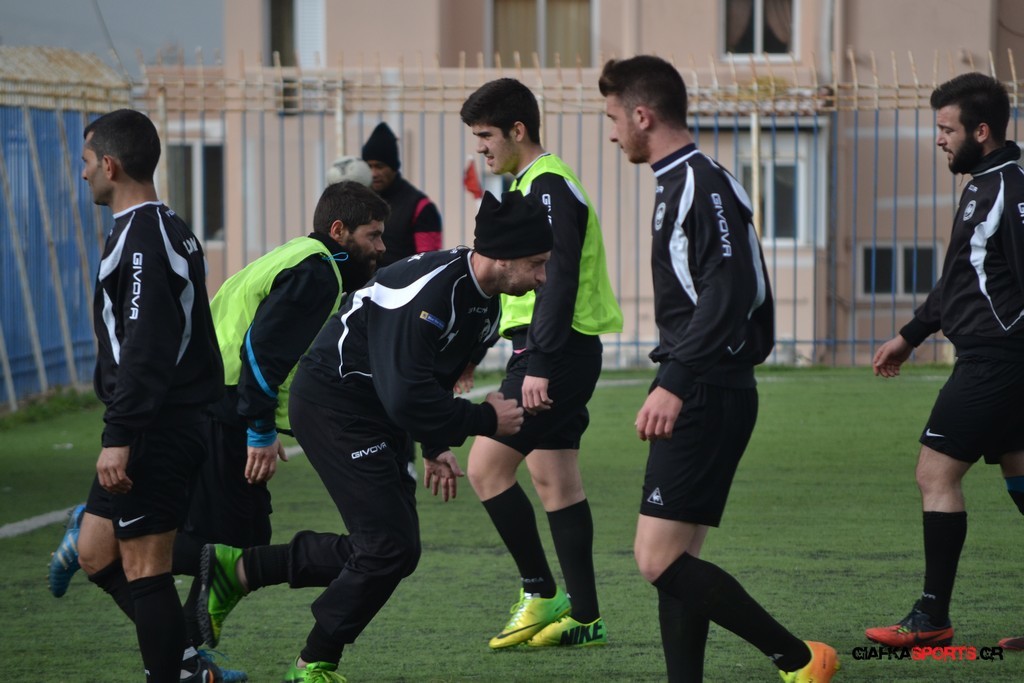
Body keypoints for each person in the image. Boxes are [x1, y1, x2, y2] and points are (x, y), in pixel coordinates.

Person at [196, 191, 550, 682]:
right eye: (536, 264)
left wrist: (436, 446)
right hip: (334, 405)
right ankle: (312, 663)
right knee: (387, 546)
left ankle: (239, 571)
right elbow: (408, 396)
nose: (543, 277)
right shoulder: (432, 291)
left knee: (395, 549)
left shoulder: (487, 307)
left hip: (380, 413)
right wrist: (486, 421)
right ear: (503, 256)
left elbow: (431, 379)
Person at [598, 56, 839, 682]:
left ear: (642, 116)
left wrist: (676, 381)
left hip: (705, 388)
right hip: (706, 383)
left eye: (613, 119)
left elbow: (730, 290)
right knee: (677, 559)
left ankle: (800, 659)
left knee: (655, 559)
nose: (612, 133)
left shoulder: (699, 183)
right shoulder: (681, 180)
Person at [459, 78, 623, 649]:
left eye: (486, 135)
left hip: (556, 351)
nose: (481, 147)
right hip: (549, 350)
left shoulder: (548, 185)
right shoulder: (531, 184)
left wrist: (541, 363)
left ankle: (540, 591)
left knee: (485, 469)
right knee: (555, 481)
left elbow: (559, 278)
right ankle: (586, 616)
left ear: (517, 130)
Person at [864, 72, 1024, 651]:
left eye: (946, 129)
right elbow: (962, 277)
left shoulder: (1011, 188)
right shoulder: (984, 183)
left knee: (935, 474)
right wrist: (911, 335)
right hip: (996, 358)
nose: (939, 139)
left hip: (995, 361)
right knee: (1020, 478)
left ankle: (931, 617)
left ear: (981, 131)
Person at [76, 108, 224, 682]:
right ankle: (186, 664)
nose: (83, 173)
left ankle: (175, 673)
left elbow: (146, 348)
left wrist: (120, 436)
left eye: (87, 162)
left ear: (110, 165)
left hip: (155, 428)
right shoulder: (157, 227)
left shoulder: (143, 238)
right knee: (95, 552)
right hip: (151, 421)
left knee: (145, 568)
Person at [361, 121, 442, 266]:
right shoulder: (360, 201)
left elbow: (428, 263)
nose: (373, 173)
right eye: (369, 166)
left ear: (393, 167)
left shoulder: (420, 206)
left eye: (379, 166)